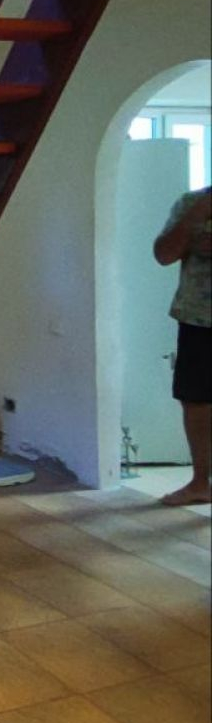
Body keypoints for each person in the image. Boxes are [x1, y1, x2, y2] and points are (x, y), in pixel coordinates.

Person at [153, 185, 211, 504]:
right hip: (197, 318)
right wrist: (196, 216)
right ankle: (201, 483)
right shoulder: (191, 202)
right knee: (196, 401)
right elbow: (163, 255)